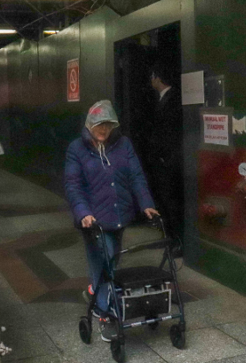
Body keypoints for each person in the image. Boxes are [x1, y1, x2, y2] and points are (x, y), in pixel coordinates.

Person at [65, 100, 159, 342]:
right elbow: (73, 185)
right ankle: (104, 310)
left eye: (108, 124)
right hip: (93, 220)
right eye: (99, 124)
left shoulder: (123, 144)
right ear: (89, 124)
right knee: (103, 260)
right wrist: (83, 212)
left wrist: (146, 203)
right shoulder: (77, 149)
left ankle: (96, 292)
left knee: (113, 256)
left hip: (119, 215)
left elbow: (136, 176)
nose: (104, 129)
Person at [148, 64, 184, 253]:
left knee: (171, 202)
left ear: (158, 78)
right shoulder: (164, 99)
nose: (151, 80)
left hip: (168, 162)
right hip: (162, 161)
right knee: (165, 200)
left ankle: (175, 240)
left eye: (152, 76)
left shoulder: (172, 101)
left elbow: (170, 134)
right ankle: (169, 236)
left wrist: (165, 157)